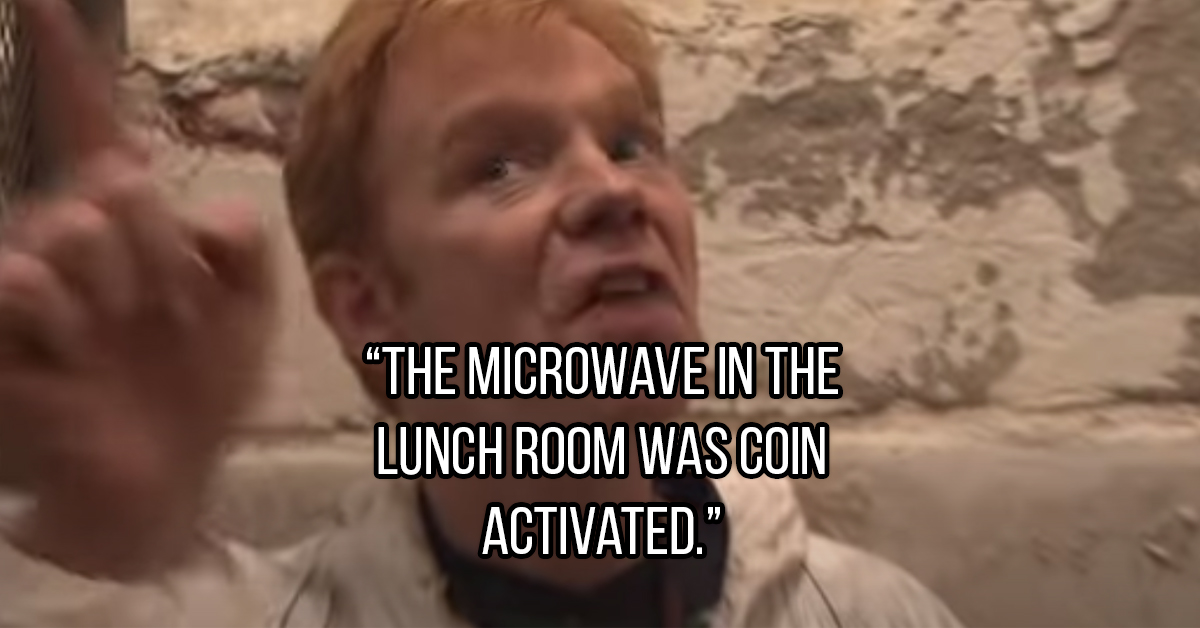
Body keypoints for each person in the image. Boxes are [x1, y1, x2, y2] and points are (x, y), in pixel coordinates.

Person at [0, 0, 963, 626]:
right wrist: (107, 530)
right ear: (368, 308)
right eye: (500, 165)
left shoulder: (869, 613)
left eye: (631, 143)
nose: (612, 191)